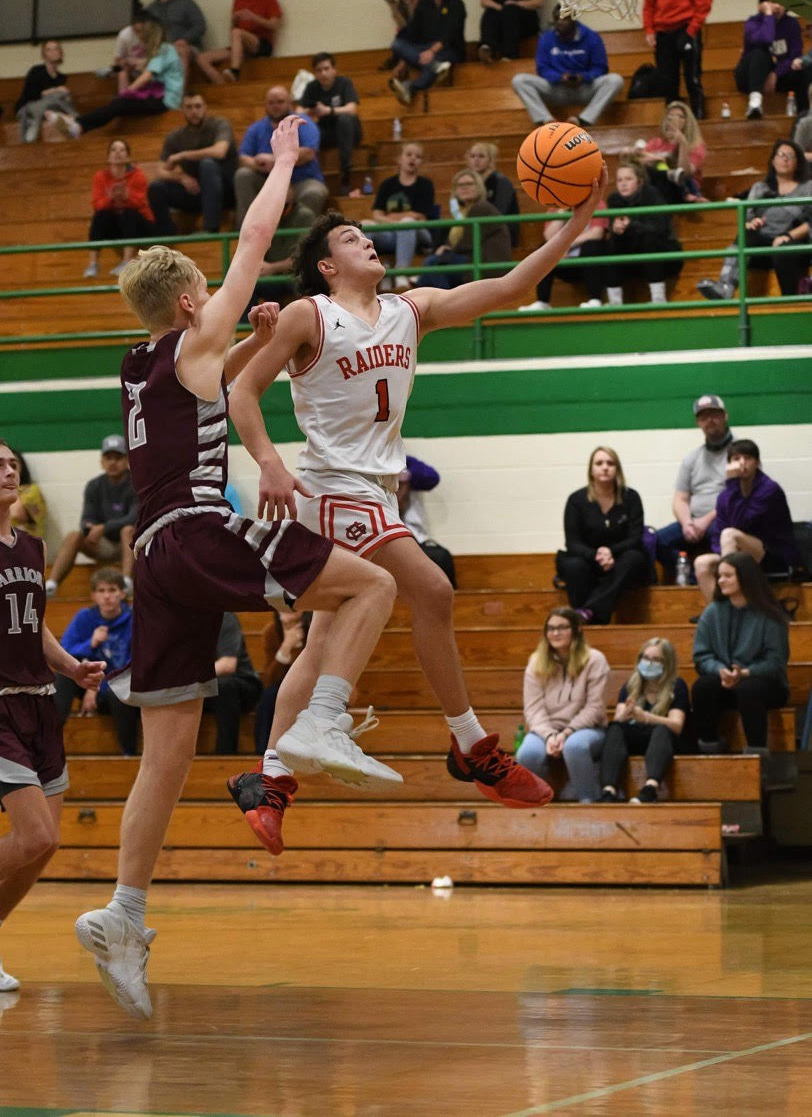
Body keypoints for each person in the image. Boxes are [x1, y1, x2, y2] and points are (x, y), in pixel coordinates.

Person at [74, 115, 401, 1021]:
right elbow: (256, 237)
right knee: (372, 583)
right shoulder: (194, 336)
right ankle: (319, 722)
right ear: (190, 303)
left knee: (167, 754)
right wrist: (286, 159)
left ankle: (123, 914)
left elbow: (209, 390)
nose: (218, 297)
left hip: (151, 556)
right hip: (197, 530)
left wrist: (253, 344)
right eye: (208, 294)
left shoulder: (138, 363)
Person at [227, 164, 609, 853]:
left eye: (366, 235)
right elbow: (241, 391)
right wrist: (269, 462)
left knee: (320, 644)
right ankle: (472, 746)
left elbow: (510, 288)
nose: (367, 241)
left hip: (374, 492)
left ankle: (271, 780)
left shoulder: (413, 309)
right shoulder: (310, 314)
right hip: (330, 487)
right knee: (432, 589)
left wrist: (575, 226)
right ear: (326, 265)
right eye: (351, 238)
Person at [0, 437, 105, 993]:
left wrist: (71, 667)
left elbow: (34, 625)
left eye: (12, 464)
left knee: (47, 843)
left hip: (39, 701)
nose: (9, 472)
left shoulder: (33, 546)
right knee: (32, 836)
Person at [692, 552, 789, 760]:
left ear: (745, 578)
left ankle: (757, 754)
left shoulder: (770, 615)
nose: (721, 580)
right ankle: (709, 748)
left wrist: (745, 672)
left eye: (727, 575)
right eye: (719, 576)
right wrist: (720, 670)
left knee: (748, 689)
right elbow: (701, 656)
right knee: (703, 686)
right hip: (725, 680)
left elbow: (775, 662)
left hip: (764, 683)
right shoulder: (712, 612)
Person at [697, 140, 811, 300]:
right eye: (781, 155)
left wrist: (788, 236)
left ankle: (790, 300)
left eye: (791, 156)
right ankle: (725, 287)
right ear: (773, 160)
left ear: (797, 163)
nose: (785, 159)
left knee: (785, 251)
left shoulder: (807, 188)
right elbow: (748, 217)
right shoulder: (760, 188)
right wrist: (751, 223)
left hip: (793, 242)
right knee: (745, 236)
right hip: (762, 243)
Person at [516, 608, 608, 802]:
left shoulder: (595, 659)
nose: (555, 633)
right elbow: (533, 708)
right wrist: (549, 735)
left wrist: (566, 733)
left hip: (587, 728)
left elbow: (595, 707)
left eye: (562, 627)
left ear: (577, 629)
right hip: (545, 730)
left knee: (575, 746)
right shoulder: (536, 661)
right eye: (550, 628)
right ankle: (534, 803)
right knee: (527, 753)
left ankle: (589, 802)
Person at [694, 439, 800, 603]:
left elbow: (741, 523)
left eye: (748, 458)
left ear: (757, 463)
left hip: (772, 555)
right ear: (729, 464)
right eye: (736, 459)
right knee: (702, 563)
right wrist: (722, 552)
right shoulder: (724, 497)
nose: (742, 463)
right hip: (736, 554)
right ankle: (720, 610)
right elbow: (717, 534)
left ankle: (731, 602)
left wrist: (733, 483)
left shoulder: (769, 490)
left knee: (730, 535)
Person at [555, 445, 649, 625]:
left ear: (617, 469)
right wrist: (597, 555)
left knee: (634, 558)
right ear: (591, 470)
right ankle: (590, 618)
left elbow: (635, 537)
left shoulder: (631, 497)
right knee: (573, 566)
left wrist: (611, 552)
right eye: (599, 463)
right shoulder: (576, 500)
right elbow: (572, 542)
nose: (605, 467)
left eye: (610, 463)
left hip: (620, 559)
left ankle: (588, 612)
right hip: (588, 559)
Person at [52, 15, 183, 139]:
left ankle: (78, 124)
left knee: (121, 103)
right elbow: (146, 68)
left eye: (143, 33)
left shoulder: (164, 50)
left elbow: (146, 76)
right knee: (118, 105)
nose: (140, 37)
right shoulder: (165, 49)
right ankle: (78, 125)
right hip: (161, 97)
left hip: (166, 101)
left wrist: (129, 91)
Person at [53, 567, 137, 757]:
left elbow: (133, 666)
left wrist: (96, 688)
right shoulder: (85, 617)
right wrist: (90, 643)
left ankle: (129, 754)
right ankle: (50, 743)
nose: (107, 596)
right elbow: (64, 653)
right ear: (93, 595)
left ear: (123, 594)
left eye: (112, 590)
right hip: (88, 683)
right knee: (62, 678)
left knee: (121, 692)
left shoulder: (134, 620)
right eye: (101, 591)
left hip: (119, 689)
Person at [599, 638, 691, 804]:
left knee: (662, 729)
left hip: (664, 742)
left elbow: (677, 725)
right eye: (646, 658)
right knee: (615, 729)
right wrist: (627, 713)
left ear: (667, 664)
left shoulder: (677, 685)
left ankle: (650, 788)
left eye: (656, 660)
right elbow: (618, 719)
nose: (649, 663)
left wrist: (647, 717)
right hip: (636, 738)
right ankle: (608, 790)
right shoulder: (631, 685)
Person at [44, 435, 137, 598]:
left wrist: (103, 527)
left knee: (128, 530)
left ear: (127, 460)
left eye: (118, 457)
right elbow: (86, 518)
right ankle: (51, 585)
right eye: (108, 458)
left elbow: (134, 518)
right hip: (103, 544)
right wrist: (90, 528)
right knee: (74, 535)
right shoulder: (94, 485)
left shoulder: (136, 483)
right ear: (102, 461)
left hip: (131, 546)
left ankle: (126, 583)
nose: (113, 462)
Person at [655, 395, 733, 580]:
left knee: (720, 534)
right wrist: (687, 523)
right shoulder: (692, 458)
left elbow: (738, 496)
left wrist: (706, 520)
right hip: (694, 521)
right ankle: (693, 580)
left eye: (714, 414)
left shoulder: (741, 453)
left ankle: (721, 583)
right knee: (656, 540)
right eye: (703, 417)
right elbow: (680, 499)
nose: (709, 420)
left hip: (725, 520)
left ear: (725, 416)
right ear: (698, 422)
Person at [511, 7, 623, 128]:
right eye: (556, 19)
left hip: (584, 88)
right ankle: (546, 121)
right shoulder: (546, 38)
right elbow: (542, 68)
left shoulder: (592, 37)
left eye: (564, 19)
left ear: (574, 19)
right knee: (519, 80)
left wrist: (583, 77)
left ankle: (584, 120)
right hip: (556, 89)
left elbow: (600, 68)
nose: (559, 22)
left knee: (615, 80)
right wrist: (559, 77)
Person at [234, 86, 328, 225]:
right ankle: (246, 230)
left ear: (289, 102)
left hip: (302, 181)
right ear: (265, 105)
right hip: (267, 182)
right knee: (243, 175)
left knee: (315, 192)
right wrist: (259, 164)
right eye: (271, 103)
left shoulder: (303, 122)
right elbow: (243, 158)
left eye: (280, 101)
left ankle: (301, 236)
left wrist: (275, 160)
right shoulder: (256, 128)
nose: (275, 106)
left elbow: (308, 153)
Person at [146, 94, 238, 235]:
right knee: (156, 187)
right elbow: (160, 170)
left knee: (207, 164)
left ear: (205, 108)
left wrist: (183, 155)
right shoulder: (175, 136)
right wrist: (181, 178)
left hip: (225, 191)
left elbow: (220, 151)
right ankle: (167, 236)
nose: (194, 111)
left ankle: (211, 229)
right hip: (196, 191)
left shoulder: (220, 124)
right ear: (182, 110)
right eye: (189, 107)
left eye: (198, 106)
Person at [642, 0, 713, 119]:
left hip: (687, 27)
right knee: (668, 84)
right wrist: (649, 29)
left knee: (693, 80)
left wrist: (691, 31)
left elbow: (704, 2)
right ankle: (673, 125)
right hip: (662, 31)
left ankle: (699, 121)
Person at [598, 160, 683, 305]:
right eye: (619, 180)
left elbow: (659, 229)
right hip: (632, 256)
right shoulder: (614, 199)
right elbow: (616, 230)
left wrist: (631, 225)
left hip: (663, 253)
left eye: (628, 179)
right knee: (610, 244)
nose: (623, 184)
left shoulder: (652, 195)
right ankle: (614, 302)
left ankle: (658, 298)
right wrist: (617, 229)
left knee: (648, 239)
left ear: (640, 182)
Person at [415, 168, 511, 289]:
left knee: (432, 264)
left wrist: (447, 250)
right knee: (433, 266)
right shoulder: (461, 213)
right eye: (460, 185)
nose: (465, 188)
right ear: (455, 191)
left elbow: (467, 243)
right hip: (470, 260)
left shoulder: (481, 208)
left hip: (486, 264)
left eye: (469, 184)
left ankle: (435, 295)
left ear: (479, 187)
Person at [388, 0, 466, 105]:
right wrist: (403, 62)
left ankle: (410, 86)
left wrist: (431, 51)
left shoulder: (457, 4)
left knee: (434, 61)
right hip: (426, 52)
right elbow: (413, 34)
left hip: (450, 51)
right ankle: (435, 66)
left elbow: (451, 34)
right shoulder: (423, 5)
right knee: (397, 44)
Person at [364, 142, 436, 289]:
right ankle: (369, 273)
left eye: (418, 156)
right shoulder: (387, 184)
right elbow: (376, 215)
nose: (413, 158)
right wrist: (401, 220)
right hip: (393, 232)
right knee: (366, 225)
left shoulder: (425, 184)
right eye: (409, 154)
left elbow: (421, 218)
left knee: (408, 222)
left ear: (421, 162)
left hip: (419, 233)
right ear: (399, 159)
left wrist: (393, 217)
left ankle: (401, 272)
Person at [197, 0, 282, 82]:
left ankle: (235, 71)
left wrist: (253, 17)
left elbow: (274, 25)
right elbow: (233, 31)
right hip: (241, 47)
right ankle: (223, 87)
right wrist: (234, 20)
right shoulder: (238, 0)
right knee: (202, 58)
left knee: (237, 33)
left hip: (261, 45)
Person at [84, 139, 156, 279]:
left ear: (128, 157)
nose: (118, 153)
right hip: (117, 225)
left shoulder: (138, 175)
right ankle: (93, 264)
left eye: (122, 150)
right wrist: (110, 197)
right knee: (100, 215)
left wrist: (126, 197)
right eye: (114, 150)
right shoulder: (100, 177)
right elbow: (97, 205)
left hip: (141, 225)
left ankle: (126, 261)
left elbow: (140, 204)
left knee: (129, 214)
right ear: (108, 157)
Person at [297, 53, 362, 197]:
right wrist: (311, 111)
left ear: (334, 70)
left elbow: (352, 109)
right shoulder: (312, 87)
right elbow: (298, 112)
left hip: (350, 132)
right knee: (306, 130)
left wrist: (328, 111)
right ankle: (309, 178)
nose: (323, 73)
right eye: (319, 70)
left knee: (344, 119)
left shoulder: (344, 83)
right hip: (327, 132)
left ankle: (345, 174)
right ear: (315, 73)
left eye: (326, 69)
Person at [734, 0, 810, 120]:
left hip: (778, 76)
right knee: (760, 53)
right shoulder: (753, 23)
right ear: (763, 4)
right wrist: (768, 15)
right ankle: (755, 103)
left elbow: (794, 55)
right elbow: (766, 40)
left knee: (803, 69)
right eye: (773, 2)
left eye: (781, 1)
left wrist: (775, 74)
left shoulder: (791, 23)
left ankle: (804, 116)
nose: (778, 6)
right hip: (750, 77)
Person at [523, 209, 607, 310]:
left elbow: (597, 233)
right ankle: (542, 302)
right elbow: (548, 237)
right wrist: (562, 211)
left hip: (586, 261)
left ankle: (595, 299)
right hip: (562, 262)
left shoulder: (596, 204)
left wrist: (567, 244)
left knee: (591, 247)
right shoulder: (555, 207)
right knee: (544, 249)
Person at [248, 185, 316, 308]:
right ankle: (244, 321)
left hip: (297, 275)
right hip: (273, 277)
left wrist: (272, 268)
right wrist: (258, 265)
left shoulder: (305, 216)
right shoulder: (265, 216)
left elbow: (305, 257)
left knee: (306, 285)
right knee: (246, 284)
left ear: (292, 195)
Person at [203, 613, 261, 755]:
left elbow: (227, 665)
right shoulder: (182, 622)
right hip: (206, 685)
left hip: (242, 683)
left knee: (223, 686)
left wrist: (189, 677)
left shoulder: (224, 617)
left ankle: (225, 754)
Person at [254, 611, 309, 755]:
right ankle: (263, 752)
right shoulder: (272, 631)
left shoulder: (313, 629)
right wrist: (286, 646)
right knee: (270, 694)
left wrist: (296, 648)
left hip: (312, 683)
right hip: (282, 684)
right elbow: (270, 678)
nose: (287, 608)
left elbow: (310, 669)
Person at [397, 455, 456, 587]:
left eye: (400, 485)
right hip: (384, 535)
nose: (398, 491)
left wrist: (406, 475)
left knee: (440, 557)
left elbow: (432, 478)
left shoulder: (406, 463)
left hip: (414, 537)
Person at [633, 101, 707, 204]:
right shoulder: (656, 143)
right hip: (657, 190)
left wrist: (682, 143)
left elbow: (685, 173)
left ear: (688, 122)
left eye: (680, 117)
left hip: (683, 190)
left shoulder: (695, 146)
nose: (673, 120)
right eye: (670, 117)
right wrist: (658, 159)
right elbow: (638, 161)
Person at [146, 0, 206, 77]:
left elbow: (200, 26)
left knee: (180, 50)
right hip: (161, 49)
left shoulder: (186, 3)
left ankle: (179, 88)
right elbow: (147, 33)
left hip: (187, 47)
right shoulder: (150, 9)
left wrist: (184, 40)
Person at [14, 40, 78, 143]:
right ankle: (36, 123)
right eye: (49, 50)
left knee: (62, 96)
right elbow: (31, 95)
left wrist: (65, 95)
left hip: (49, 108)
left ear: (61, 52)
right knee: (56, 95)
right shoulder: (36, 71)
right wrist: (54, 90)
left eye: (56, 49)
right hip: (28, 107)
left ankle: (58, 117)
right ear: (44, 54)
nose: (53, 52)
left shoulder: (61, 77)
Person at [465, 142, 520, 243]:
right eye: (472, 156)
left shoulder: (501, 182)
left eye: (481, 156)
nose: (476, 160)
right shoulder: (468, 182)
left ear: (490, 160)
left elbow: (499, 213)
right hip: (477, 231)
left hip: (500, 234)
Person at [381, 0, 418, 72]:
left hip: (421, 39)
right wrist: (392, 6)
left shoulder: (422, 4)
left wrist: (410, 5)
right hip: (407, 39)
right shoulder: (399, 5)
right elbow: (402, 26)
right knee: (401, 38)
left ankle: (400, 61)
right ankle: (401, 61)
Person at [9, 451, 47, 540]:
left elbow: (16, 514)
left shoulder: (31, 490)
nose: (8, 470)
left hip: (23, 541)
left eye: (13, 465)